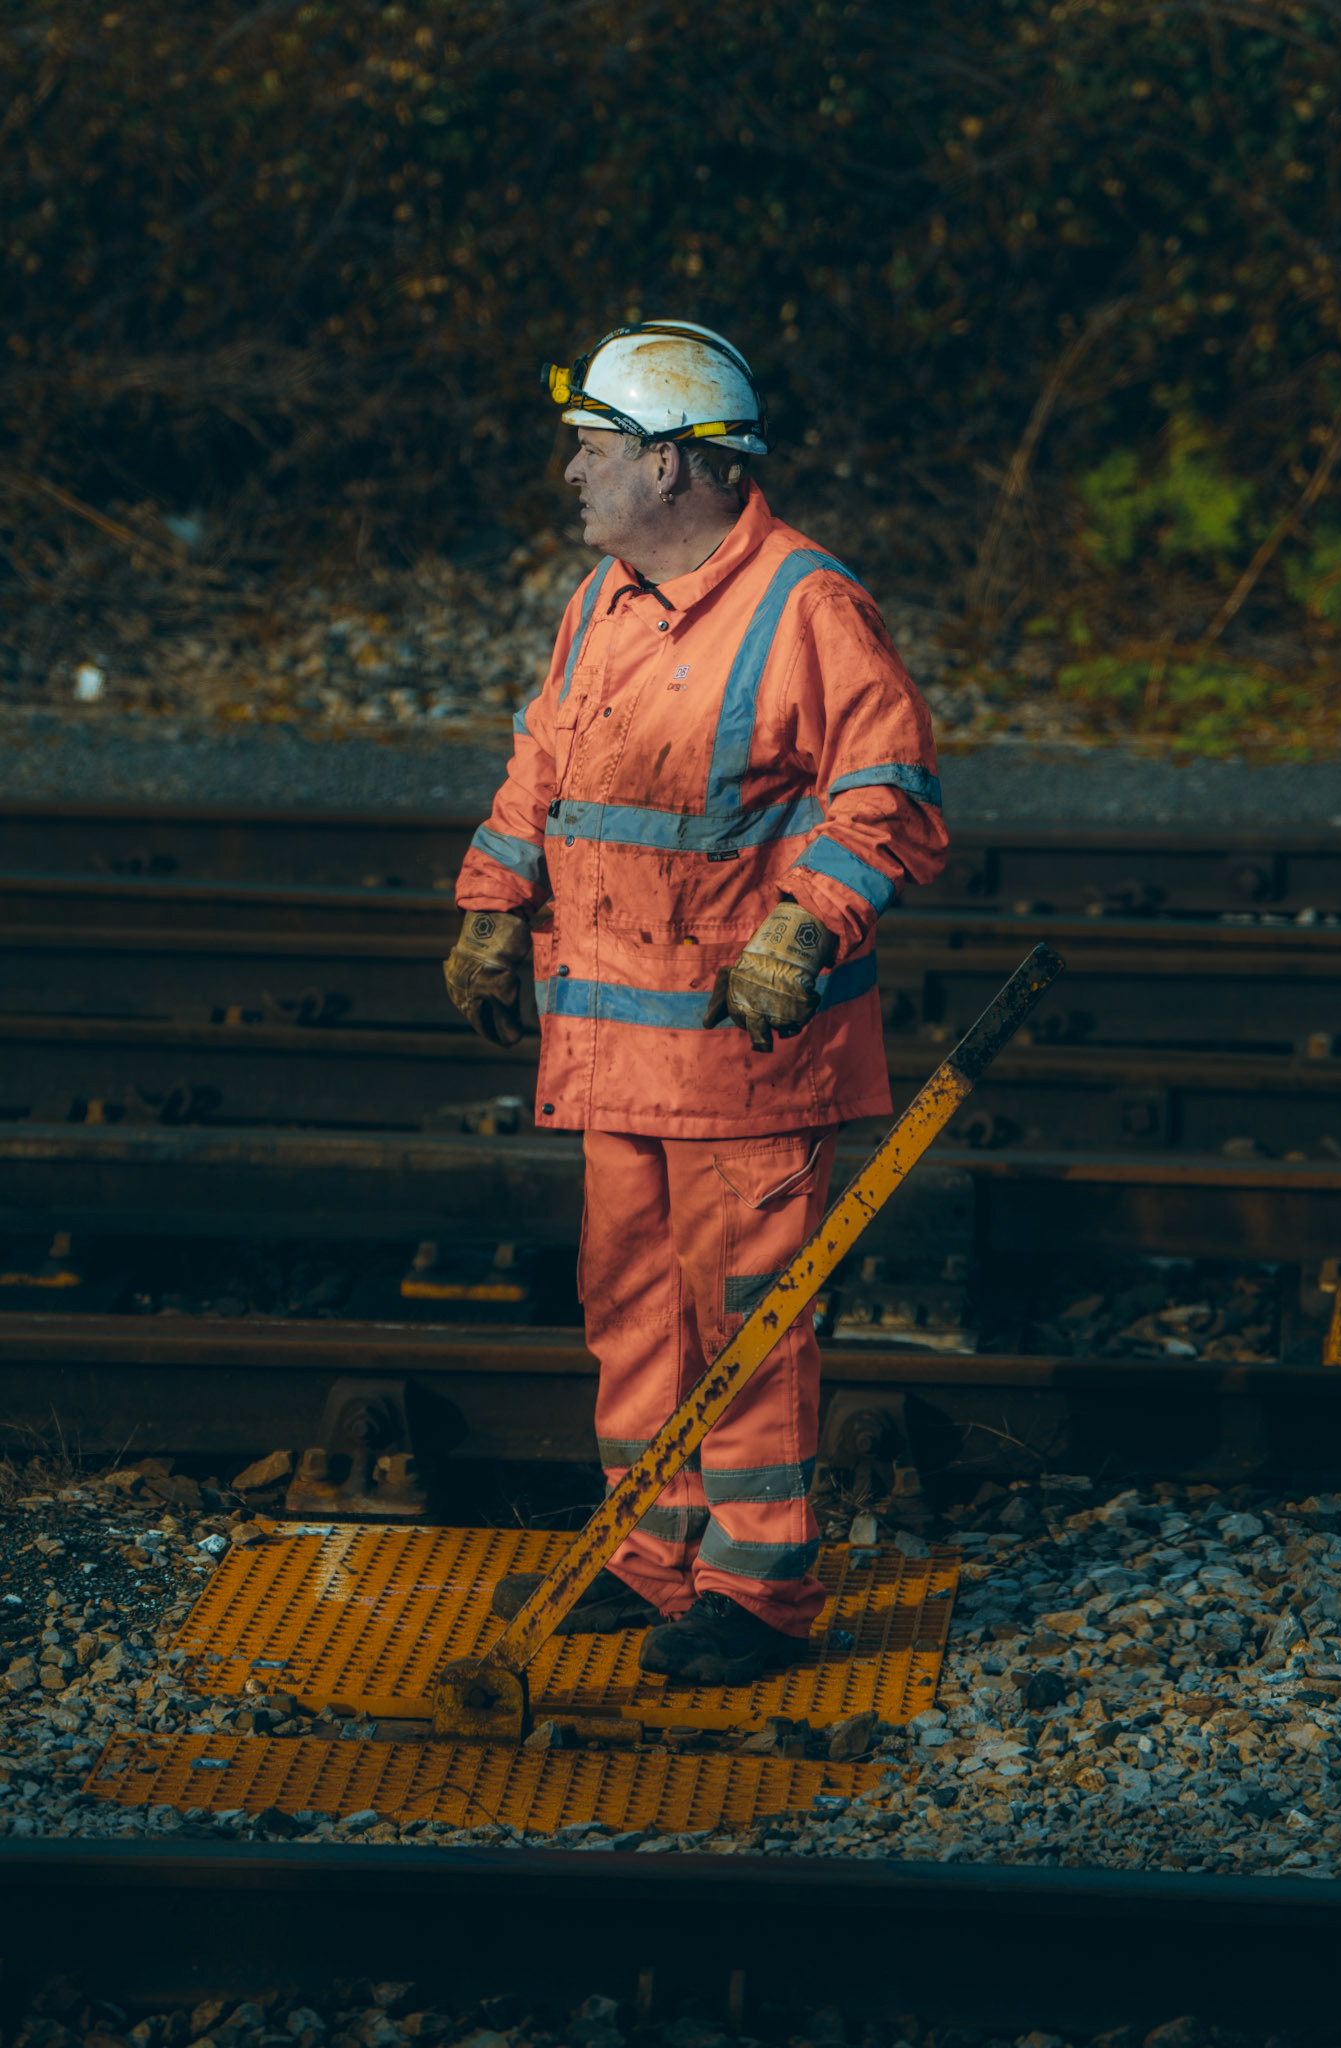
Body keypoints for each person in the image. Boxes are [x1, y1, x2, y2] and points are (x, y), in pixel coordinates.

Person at [447, 320, 948, 1684]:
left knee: (745, 1325)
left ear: (668, 461)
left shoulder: (807, 606)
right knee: (630, 1309)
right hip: (615, 1046)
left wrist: (805, 926)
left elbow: (889, 797)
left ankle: (755, 1594)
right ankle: (648, 1555)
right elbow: (545, 761)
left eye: (591, 449)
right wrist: (491, 904)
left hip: (744, 1058)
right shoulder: (605, 599)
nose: (571, 474)